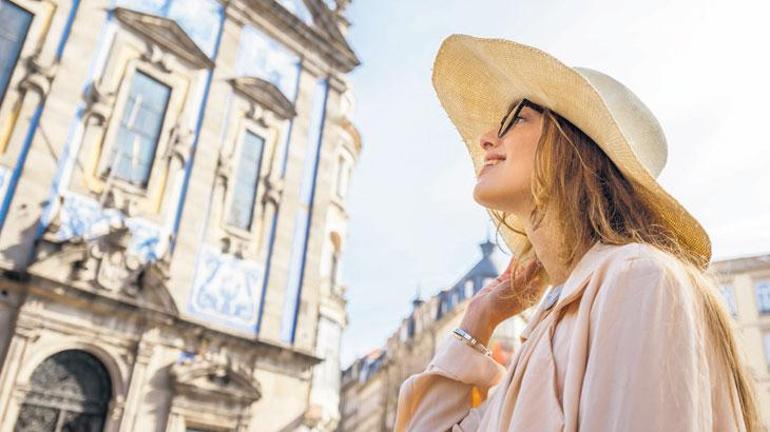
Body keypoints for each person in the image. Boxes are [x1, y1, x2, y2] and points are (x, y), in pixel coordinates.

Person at [393, 35, 761, 432]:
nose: (486, 139)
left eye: (517, 119)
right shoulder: (546, 329)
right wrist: (477, 320)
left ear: (572, 146)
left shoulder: (637, 276)